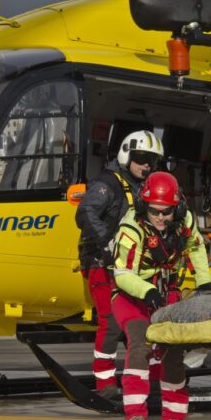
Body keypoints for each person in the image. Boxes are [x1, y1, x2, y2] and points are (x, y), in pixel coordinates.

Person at [111, 171, 211, 420]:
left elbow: (196, 248)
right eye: (154, 211)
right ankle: (135, 416)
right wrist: (148, 291)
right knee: (140, 343)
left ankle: (173, 418)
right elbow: (122, 275)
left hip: (168, 293)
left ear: (176, 208)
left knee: (172, 351)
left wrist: (204, 286)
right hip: (132, 295)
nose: (161, 218)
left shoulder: (184, 221)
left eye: (166, 212)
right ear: (144, 206)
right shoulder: (131, 229)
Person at [75, 130, 164, 399]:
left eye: (152, 160)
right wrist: (108, 241)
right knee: (112, 322)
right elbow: (85, 212)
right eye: (141, 158)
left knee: (145, 322)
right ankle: (104, 383)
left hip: (134, 268)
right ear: (127, 155)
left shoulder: (145, 188)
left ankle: (150, 378)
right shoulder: (108, 184)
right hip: (103, 264)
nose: (146, 164)